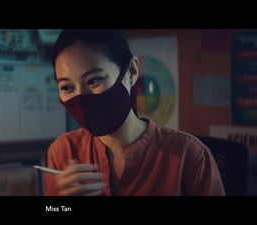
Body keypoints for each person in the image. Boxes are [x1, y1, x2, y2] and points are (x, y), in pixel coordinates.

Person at [44, 29, 225, 196]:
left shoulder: (191, 156)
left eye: (94, 80)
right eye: (67, 87)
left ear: (131, 72)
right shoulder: (63, 152)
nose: (80, 97)